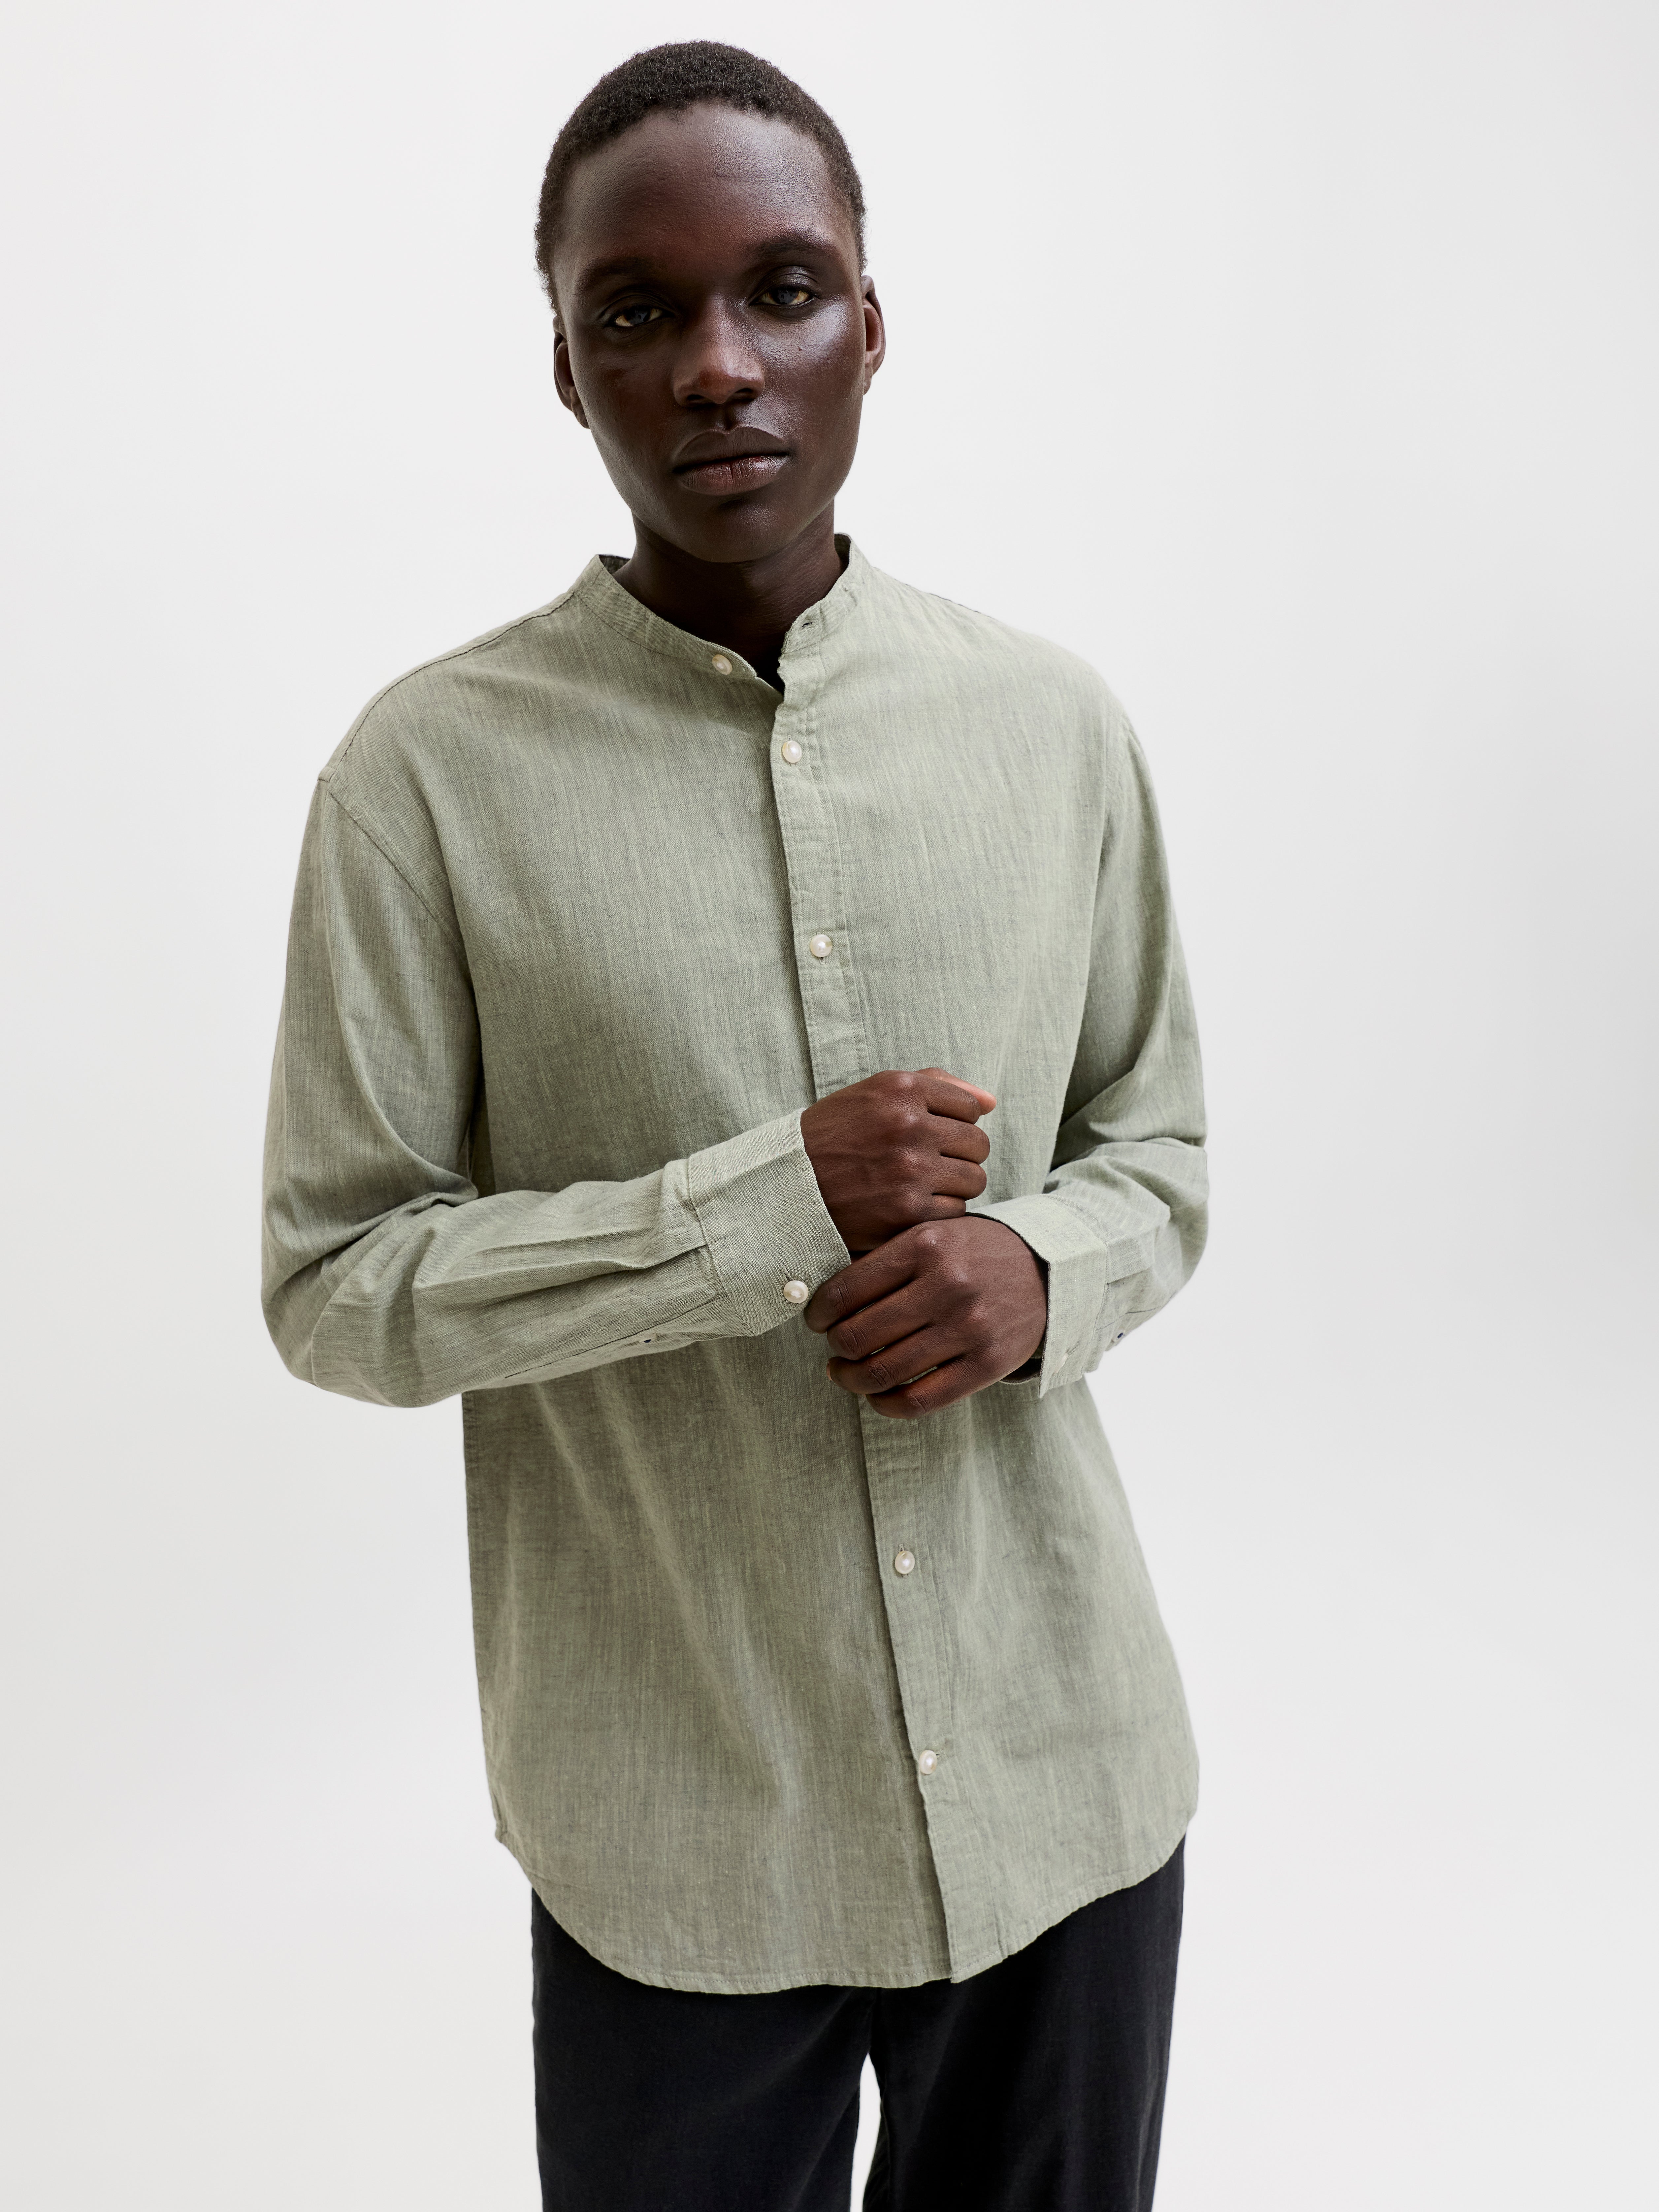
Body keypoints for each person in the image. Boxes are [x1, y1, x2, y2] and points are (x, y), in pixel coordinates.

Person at [262, 40, 1207, 2212]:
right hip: (678, 1832)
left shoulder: (1051, 725)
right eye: (637, 310)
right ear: (565, 366)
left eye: (780, 291)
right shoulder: (423, 781)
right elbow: (338, 1287)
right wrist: (766, 1206)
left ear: (868, 323)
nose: (714, 365)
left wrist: (1040, 1267)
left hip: (1065, 1787)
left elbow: (1161, 1151)